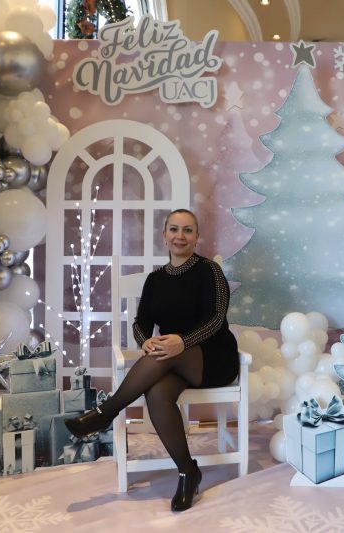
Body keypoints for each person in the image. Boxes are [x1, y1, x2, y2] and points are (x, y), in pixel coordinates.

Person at [65, 208, 239, 512]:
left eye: (187, 230)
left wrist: (182, 341)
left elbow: (216, 318)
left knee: (163, 352)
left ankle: (106, 412)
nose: (180, 236)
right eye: (174, 229)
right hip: (171, 360)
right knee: (157, 392)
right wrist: (145, 340)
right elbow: (140, 322)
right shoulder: (155, 279)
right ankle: (188, 472)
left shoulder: (209, 270)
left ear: (197, 236)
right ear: (165, 235)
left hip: (213, 356)